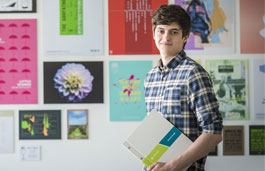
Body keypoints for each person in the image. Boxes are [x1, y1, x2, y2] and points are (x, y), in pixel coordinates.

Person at [144, 4, 223, 171]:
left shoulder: (193, 73)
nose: (166, 37)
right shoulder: (150, 77)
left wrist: (172, 166)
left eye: (174, 32)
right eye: (161, 30)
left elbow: (214, 133)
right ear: (153, 34)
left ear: (185, 37)